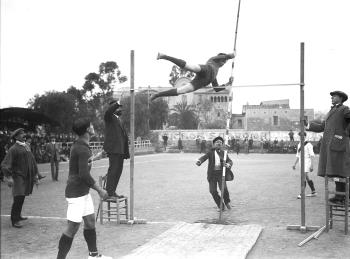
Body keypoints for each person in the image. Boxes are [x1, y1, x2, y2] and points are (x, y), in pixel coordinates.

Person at [56, 118, 111, 259]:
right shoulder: (82, 148)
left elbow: (82, 163)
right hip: (76, 193)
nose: (93, 127)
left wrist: (97, 157)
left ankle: (93, 255)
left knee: (90, 221)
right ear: (87, 130)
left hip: (82, 192)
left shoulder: (81, 145)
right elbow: (84, 174)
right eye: (91, 125)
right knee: (73, 227)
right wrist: (100, 190)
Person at [306, 90, 350, 204]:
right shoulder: (331, 111)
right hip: (331, 146)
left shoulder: (344, 109)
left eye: (334, 96)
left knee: (341, 171)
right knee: (335, 171)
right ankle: (339, 196)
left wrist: (344, 134)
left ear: (340, 98)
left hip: (339, 144)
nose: (331, 98)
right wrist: (308, 125)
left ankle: (344, 197)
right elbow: (322, 127)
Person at [150, 52, 235, 101]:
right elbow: (223, 56)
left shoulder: (215, 74)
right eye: (223, 61)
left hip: (200, 82)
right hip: (205, 70)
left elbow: (216, 89)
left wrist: (228, 83)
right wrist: (229, 56)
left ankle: (157, 95)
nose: (223, 63)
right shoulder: (212, 60)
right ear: (219, 59)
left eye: (225, 62)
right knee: (189, 66)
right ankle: (164, 56)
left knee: (181, 91)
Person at [1, 128, 40, 228]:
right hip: (18, 176)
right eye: (21, 134)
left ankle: (18, 216)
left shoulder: (26, 146)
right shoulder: (13, 149)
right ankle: (14, 220)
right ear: (16, 137)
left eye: (24, 133)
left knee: (21, 197)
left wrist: (35, 175)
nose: (24, 135)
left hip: (26, 176)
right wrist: (9, 177)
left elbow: (32, 161)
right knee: (18, 197)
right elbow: (5, 164)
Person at [196, 136, 233, 211]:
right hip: (212, 175)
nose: (219, 143)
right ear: (214, 144)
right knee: (213, 191)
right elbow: (204, 157)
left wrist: (228, 165)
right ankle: (221, 205)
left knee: (224, 189)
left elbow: (230, 161)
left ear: (222, 144)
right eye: (217, 142)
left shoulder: (224, 153)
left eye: (220, 142)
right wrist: (199, 161)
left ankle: (227, 202)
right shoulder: (210, 152)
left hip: (221, 174)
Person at [103, 99, 130, 198]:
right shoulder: (109, 117)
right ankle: (109, 192)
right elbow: (108, 111)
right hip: (114, 149)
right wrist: (117, 103)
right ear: (113, 107)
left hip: (120, 150)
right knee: (113, 170)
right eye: (118, 107)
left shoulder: (118, 119)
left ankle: (113, 191)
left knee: (118, 171)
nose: (120, 109)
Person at [292, 132, 317, 199]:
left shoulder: (309, 144)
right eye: (300, 136)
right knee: (307, 177)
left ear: (305, 136)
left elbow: (312, 155)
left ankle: (302, 193)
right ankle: (313, 191)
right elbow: (298, 156)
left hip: (307, 162)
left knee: (303, 176)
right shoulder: (299, 144)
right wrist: (294, 164)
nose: (301, 137)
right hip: (301, 163)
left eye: (302, 136)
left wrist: (312, 165)